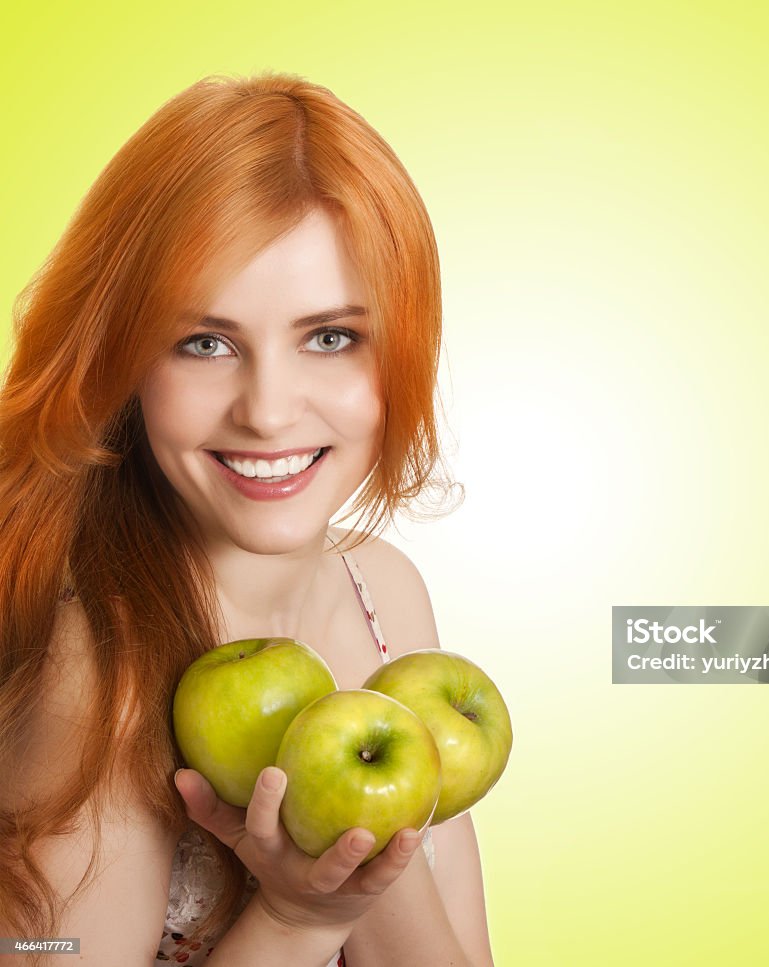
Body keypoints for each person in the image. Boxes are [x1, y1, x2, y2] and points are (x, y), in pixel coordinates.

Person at [0, 72, 492, 966]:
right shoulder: (95, 659)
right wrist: (300, 919)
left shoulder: (383, 591)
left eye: (331, 336)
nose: (268, 412)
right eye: (206, 342)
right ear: (124, 356)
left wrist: (363, 855)